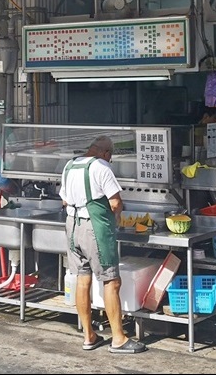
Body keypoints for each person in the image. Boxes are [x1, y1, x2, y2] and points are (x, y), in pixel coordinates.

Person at [58, 135, 147, 354]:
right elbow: (115, 202)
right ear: (106, 153)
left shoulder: (70, 165)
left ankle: (89, 336)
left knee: (82, 278)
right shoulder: (101, 167)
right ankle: (118, 339)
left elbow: (65, 200)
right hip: (94, 228)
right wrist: (115, 218)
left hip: (72, 227)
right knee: (111, 281)